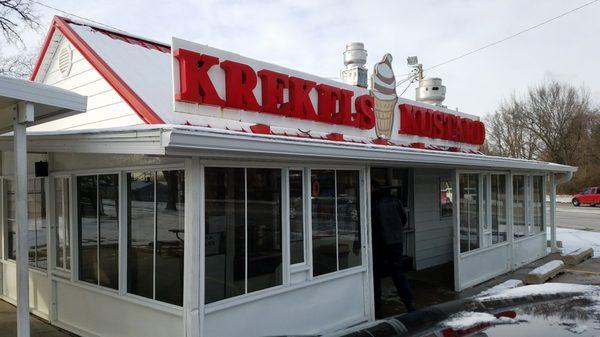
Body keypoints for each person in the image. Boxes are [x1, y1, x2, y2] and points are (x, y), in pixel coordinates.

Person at [372, 185, 416, 316]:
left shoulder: (373, 203)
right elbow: (403, 219)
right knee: (398, 273)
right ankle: (409, 304)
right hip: (396, 241)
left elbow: (372, 224)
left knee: (376, 274)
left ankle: (376, 305)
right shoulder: (395, 201)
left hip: (379, 242)